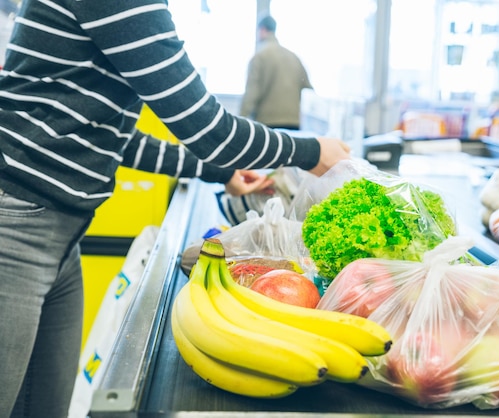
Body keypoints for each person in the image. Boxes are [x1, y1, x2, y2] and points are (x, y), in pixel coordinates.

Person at [0, 1, 351, 417]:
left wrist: (220, 171)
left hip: (60, 235)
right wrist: (310, 150)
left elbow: (107, 136)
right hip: (16, 226)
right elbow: (205, 127)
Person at [239, 15, 313, 130]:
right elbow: (308, 89)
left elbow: (251, 94)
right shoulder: (294, 58)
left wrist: (239, 121)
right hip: (293, 124)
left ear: (262, 30)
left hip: (268, 125)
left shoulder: (259, 57)